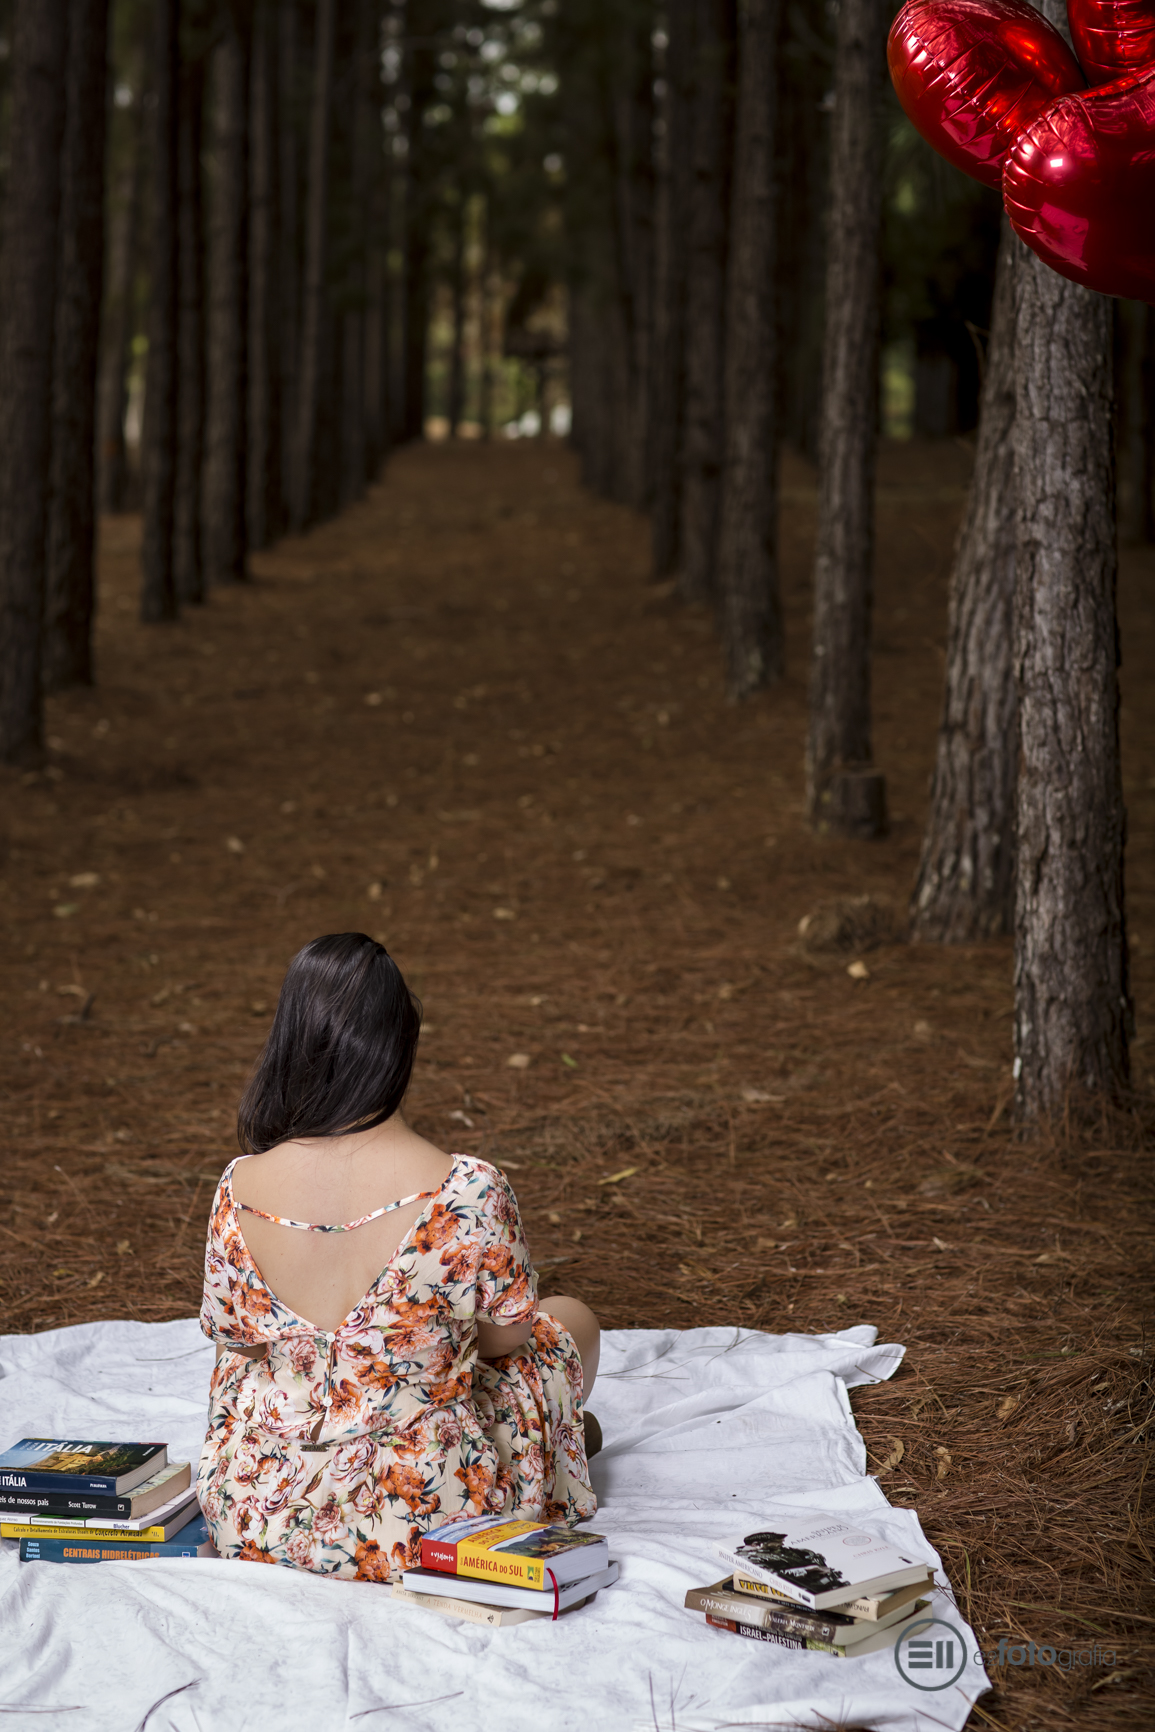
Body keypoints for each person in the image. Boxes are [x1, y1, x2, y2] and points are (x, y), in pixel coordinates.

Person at [197, 932, 600, 1580]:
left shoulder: (237, 1184)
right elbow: (505, 1341)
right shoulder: (467, 1188)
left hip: (256, 1515)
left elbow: (237, 1344)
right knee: (568, 1321)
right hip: (424, 1519)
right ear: (400, 1044)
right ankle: (562, 1438)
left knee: (248, 1364)